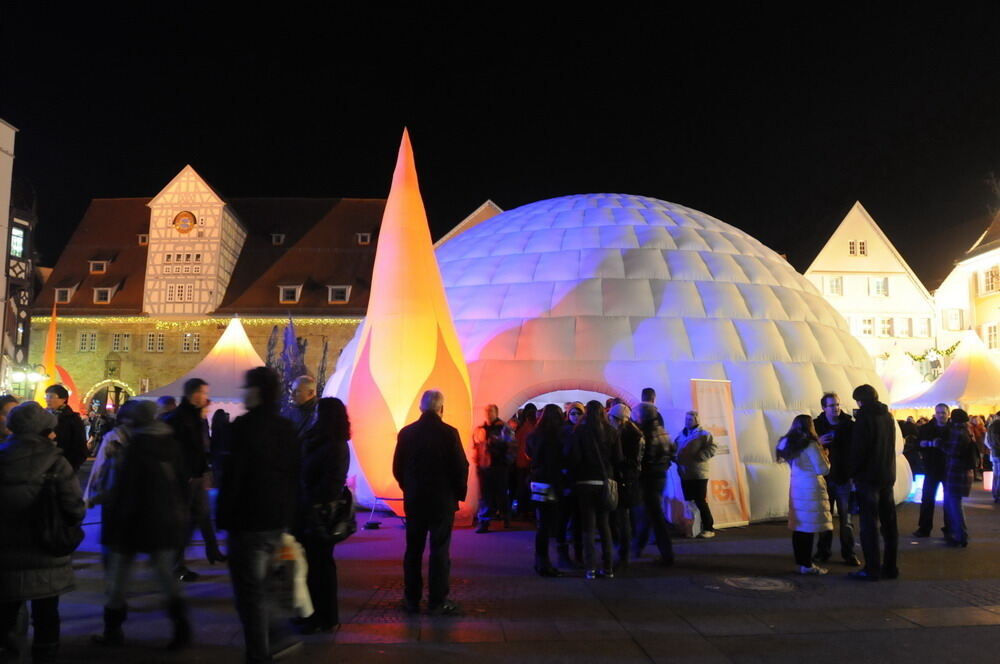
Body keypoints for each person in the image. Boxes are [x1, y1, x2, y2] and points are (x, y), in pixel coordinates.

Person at [217, 367, 301, 662]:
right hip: (275, 522)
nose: (244, 393)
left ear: (257, 391)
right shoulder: (286, 428)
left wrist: (223, 517)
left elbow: (234, 477)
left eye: (247, 388)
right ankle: (276, 635)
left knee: (249, 591)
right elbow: (293, 476)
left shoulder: (244, 427)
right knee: (265, 585)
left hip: (248, 523)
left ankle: (259, 651)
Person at [91, 400, 191, 649]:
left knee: (118, 580)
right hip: (164, 519)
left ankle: (112, 632)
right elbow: (181, 481)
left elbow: (124, 489)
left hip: (131, 522)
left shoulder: (135, 446)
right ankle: (181, 629)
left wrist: (97, 499)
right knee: (166, 577)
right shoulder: (172, 444)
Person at [0, 402, 85, 663]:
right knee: (47, 614)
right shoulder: (56, 463)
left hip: (6, 552)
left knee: (6, 613)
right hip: (47, 549)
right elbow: (74, 509)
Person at [393, 390, 469, 614]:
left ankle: (411, 598)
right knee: (440, 550)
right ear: (441, 408)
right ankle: (437, 600)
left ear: (421, 408)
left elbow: (397, 467)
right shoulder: (449, 433)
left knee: (413, 549)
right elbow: (460, 466)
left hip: (415, 499)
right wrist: (457, 493)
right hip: (441, 501)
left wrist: (408, 487)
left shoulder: (407, 433)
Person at [295, 397, 350, 633]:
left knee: (321, 565)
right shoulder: (318, 439)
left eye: (320, 412)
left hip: (318, 513)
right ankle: (314, 613)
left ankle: (324, 616)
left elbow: (330, 484)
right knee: (312, 564)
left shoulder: (335, 446)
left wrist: (309, 497)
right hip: (307, 510)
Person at [164, 378, 224, 581]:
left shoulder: (195, 417)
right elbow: (177, 451)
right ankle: (176, 566)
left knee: (203, 515)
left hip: (196, 477)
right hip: (186, 480)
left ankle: (211, 550)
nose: (206, 398)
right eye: (203, 393)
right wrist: (185, 474)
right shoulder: (180, 418)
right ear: (194, 394)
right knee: (185, 524)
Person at [848, 384, 898, 581]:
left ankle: (872, 568)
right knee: (889, 523)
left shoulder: (863, 419)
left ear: (860, 401)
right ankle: (891, 567)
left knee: (869, 525)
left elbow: (859, 450)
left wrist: (853, 473)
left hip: (868, 478)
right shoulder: (888, 416)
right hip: (886, 475)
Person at [569, 400, 623, 579]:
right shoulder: (611, 432)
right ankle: (608, 567)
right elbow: (618, 459)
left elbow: (574, 458)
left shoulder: (579, 431)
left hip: (584, 482)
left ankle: (590, 567)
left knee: (588, 527)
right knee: (604, 525)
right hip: (604, 481)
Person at [777, 415, 833, 575]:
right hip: (811, 489)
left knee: (799, 526)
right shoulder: (811, 445)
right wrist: (826, 456)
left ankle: (801, 561)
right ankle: (807, 565)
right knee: (809, 528)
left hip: (796, 487)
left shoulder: (787, 443)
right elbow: (823, 469)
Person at [812, 392, 859, 566]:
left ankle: (849, 553)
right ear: (824, 408)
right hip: (824, 479)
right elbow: (804, 448)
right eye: (831, 406)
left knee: (846, 520)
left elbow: (857, 451)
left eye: (837, 405)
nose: (836, 408)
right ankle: (823, 552)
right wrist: (819, 442)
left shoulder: (849, 425)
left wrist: (854, 475)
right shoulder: (816, 425)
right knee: (825, 518)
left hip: (844, 477)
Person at [631, 401, 676, 566]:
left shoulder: (644, 434)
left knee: (653, 515)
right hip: (660, 477)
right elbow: (672, 452)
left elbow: (643, 458)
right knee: (649, 513)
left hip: (647, 478)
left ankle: (667, 554)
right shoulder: (662, 431)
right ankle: (639, 546)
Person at [527, 404, 567, 576]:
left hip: (538, 479)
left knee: (542, 522)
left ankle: (540, 560)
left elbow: (529, 454)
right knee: (551, 521)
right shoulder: (560, 435)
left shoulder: (534, 434)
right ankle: (547, 562)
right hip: (553, 480)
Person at [608, 402, 642, 571]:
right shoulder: (632, 433)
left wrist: (615, 461)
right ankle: (623, 553)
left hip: (624, 480)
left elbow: (631, 461)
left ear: (618, 419)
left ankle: (624, 555)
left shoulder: (629, 435)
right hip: (627, 480)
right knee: (621, 518)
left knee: (622, 519)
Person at [472, 404, 514, 533]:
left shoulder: (503, 428)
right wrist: (477, 460)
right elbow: (476, 446)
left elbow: (512, 446)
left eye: (490, 411)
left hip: (499, 466)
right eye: (486, 411)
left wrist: (506, 461)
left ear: (496, 412)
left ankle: (505, 516)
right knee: (485, 495)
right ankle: (484, 521)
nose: (488, 413)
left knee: (501, 493)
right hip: (485, 467)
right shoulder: (480, 429)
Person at [674, 411, 717, 538]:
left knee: (700, 500)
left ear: (697, 420)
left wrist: (701, 456)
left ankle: (709, 528)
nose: (688, 421)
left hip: (699, 473)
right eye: (686, 419)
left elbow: (713, 448)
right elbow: (674, 449)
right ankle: (694, 528)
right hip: (684, 473)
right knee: (689, 502)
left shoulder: (704, 434)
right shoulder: (680, 435)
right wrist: (674, 457)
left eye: (691, 419)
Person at [939, 409, 978, 547]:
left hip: (956, 471)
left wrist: (940, 444)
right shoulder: (968, 430)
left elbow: (953, 451)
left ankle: (960, 536)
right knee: (956, 504)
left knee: (954, 505)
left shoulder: (957, 431)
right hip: (963, 471)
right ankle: (960, 534)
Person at [555, 402, 585, 569]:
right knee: (565, 516)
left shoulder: (585, 431)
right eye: (572, 413)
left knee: (578, 519)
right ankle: (563, 551)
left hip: (580, 481)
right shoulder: (563, 431)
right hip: (566, 480)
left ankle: (578, 552)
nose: (575, 417)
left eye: (578, 413)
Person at [913, 403, 950, 538]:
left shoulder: (952, 429)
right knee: (927, 499)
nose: (940, 415)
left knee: (949, 501)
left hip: (947, 468)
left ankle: (949, 528)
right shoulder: (926, 428)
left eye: (943, 413)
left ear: (948, 414)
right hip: (931, 467)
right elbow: (917, 444)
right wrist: (923, 445)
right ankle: (924, 528)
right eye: (938, 412)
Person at [44, 384, 88, 471]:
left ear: (63, 399)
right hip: (43, 464)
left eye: (51, 396)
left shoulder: (73, 419)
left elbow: (79, 445)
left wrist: (71, 466)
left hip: (64, 465)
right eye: (46, 396)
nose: (47, 399)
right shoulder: (42, 416)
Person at [512, 403, 537, 518]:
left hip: (520, 463)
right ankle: (529, 510)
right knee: (529, 488)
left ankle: (521, 510)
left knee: (521, 487)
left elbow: (515, 444)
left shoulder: (521, 428)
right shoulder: (535, 428)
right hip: (530, 463)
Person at [986, 412, 1000, 503]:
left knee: (996, 474)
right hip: (998, 452)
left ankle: (996, 495)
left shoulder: (991, 425)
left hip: (994, 452)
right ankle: (998, 495)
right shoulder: (997, 425)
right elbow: (997, 440)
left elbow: (987, 440)